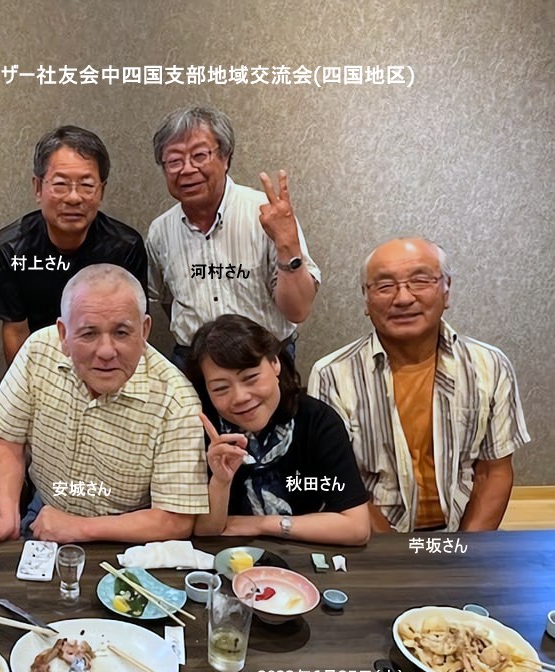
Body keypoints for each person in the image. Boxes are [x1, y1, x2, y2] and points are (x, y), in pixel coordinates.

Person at [0, 264, 208, 554]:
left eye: (122, 332)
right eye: (89, 334)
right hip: (45, 512)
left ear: (145, 330)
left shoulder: (176, 399)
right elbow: (10, 443)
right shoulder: (38, 351)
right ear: (63, 334)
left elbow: (175, 520)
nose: (106, 351)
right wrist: (7, 513)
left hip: (129, 535)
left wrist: (78, 528)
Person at [309, 237, 530, 533]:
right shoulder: (331, 374)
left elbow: (494, 472)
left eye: (420, 281)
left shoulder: (490, 365)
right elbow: (339, 481)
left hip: (463, 534)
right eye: (385, 286)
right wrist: (394, 552)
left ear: (446, 289)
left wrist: (463, 550)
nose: (403, 298)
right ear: (366, 300)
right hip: (372, 539)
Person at [146, 106, 320, 369]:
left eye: (199, 155)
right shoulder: (160, 231)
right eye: (174, 160)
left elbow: (298, 310)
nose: (187, 169)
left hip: (265, 361)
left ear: (225, 157)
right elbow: (167, 301)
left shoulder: (267, 215)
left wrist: (287, 244)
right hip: (193, 364)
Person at [189, 315, 370, 546]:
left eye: (251, 378)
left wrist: (261, 524)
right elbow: (205, 532)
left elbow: (356, 527)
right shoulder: (200, 430)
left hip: (303, 553)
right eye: (221, 388)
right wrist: (220, 482)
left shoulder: (316, 421)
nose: (240, 397)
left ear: (275, 363)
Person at [0, 125, 148, 365]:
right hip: (42, 363)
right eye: (61, 184)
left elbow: (132, 328)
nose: (74, 197)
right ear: (38, 188)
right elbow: (16, 331)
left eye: (86, 185)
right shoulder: (10, 249)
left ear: (101, 191)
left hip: (107, 358)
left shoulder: (125, 248)